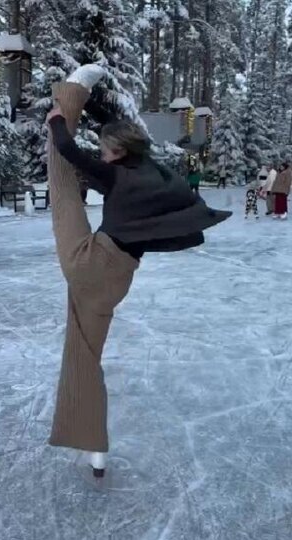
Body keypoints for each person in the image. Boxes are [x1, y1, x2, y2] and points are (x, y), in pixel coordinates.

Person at [44, 65, 230, 481]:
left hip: (90, 261)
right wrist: (95, 109)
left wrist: (59, 121)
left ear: (119, 152)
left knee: (62, 191)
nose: (103, 155)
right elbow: (107, 144)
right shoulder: (156, 174)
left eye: (107, 150)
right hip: (118, 280)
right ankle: (94, 447)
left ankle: (71, 91)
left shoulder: (117, 172)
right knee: (84, 354)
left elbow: (70, 152)